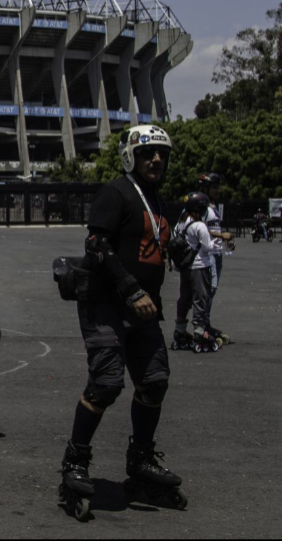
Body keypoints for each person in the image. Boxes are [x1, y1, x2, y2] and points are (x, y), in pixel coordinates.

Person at [57, 125, 186, 519]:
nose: (157, 160)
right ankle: (75, 462)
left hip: (144, 309)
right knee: (106, 384)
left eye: (162, 153)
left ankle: (141, 459)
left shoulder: (159, 201)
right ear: (131, 156)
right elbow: (96, 245)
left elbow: (153, 246)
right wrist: (131, 289)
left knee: (154, 382)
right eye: (148, 153)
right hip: (106, 305)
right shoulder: (116, 193)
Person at [171, 192, 220, 353]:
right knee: (200, 298)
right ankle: (199, 331)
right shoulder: (200, 225)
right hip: (200, 267)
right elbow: (208, 247)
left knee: (184, 298)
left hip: (186, 268)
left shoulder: (182, 223)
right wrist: (221, 245)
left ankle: (180, 329)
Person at [197, 173, 233, 346]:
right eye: (214, 187)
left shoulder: (213, 206)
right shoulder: (201, 206)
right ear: (205, 188)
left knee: (212, 289)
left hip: (217, 252)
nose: (218, 190)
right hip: (208, 253)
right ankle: (202, 326)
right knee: (208, 290)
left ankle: (206, 323)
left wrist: (226, 242)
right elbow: (198, 228)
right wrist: (221, 235)